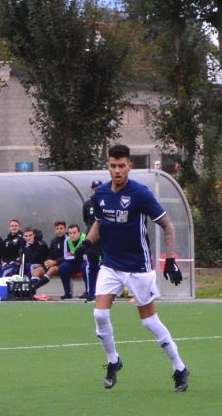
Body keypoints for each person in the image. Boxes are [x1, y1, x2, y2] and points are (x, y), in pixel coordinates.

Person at [75, 144, 188, 391]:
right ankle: (113, 361)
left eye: (122, 166)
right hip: (111, 265)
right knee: (99, 314)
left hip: (138, 267)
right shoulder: (101, 194)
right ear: (108, 167)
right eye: (113, 166)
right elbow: (99, 224)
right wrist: (84, 246)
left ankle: (179, 367)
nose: (117, 170)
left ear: (129, 166)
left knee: (149, 322)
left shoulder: (140, 194)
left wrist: (170, 260)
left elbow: (168, 226)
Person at [81, 180, 103, 302]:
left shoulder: (107, 202)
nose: (96, 191)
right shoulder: (87, 204)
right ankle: (91, 293)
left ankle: (107, 294)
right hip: (91, 238)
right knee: (92, 266)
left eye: (99, 188)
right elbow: (86, 220)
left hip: (105, 238)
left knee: (106, 266)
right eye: (95, 189)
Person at [53, 224, 87, 299]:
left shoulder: (85, 238)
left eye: (74, 233)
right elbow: (66, 257)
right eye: (70, 233)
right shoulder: (67, 240)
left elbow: (86, 257)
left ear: (79, 232)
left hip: (84, 261)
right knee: (62, 267)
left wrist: (73, 254)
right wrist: (76, 255)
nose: (72, 235)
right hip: (74, 261)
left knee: (85, 267)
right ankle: (68, 292)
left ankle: (88, 291)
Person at [34, 221, 68, 292]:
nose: (59, 230)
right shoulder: (53, 241)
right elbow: (50, 255)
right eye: (57, 229)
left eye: (61, 228)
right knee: (37, 271)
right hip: (53, 264)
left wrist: (55, 262)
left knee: (52, 269)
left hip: (64, 265)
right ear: (54, 230)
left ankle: (33, 288)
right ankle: (32, 290)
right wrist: (48, 261)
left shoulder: (69, 240)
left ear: (65, 229)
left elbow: (67, 256)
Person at [0, 219, 26, 283]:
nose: (14, 227)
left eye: (16, 226)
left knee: (4, 271)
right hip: (7, 262)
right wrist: (4, 261)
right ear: (9, 228)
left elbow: (22, 252)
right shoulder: (6, 239)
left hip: (16, 263)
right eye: (12, 226)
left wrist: (13, 261)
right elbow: (3, 253)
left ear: (19, 228)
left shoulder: (22, 238)